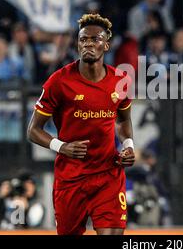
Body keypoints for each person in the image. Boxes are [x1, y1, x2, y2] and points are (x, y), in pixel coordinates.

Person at [27, 13, 136, 235]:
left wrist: (129, 146)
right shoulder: (59, 81)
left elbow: (124, 121)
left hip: (108, 174)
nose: (87, 43)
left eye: (94, 39)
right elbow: (33, 130)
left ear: (106, 45)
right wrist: (62, 146)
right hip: (71, 177)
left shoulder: (121, 82)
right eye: (83, 39)